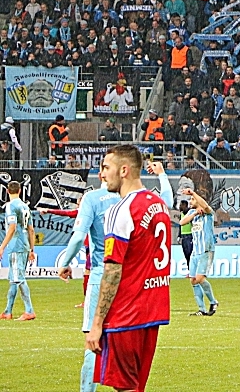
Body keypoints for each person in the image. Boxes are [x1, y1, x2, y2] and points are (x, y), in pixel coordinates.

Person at [58, 158, 172, 392]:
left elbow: (80, 237)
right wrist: (162, 175)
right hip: (144, 292)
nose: (103, 172)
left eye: (105, 167)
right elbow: (168, 202)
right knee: (134, 376)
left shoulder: (93, 200)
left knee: (93, 342)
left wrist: (64, 262)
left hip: (107, 277)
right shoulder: (142, 199)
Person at [179, 188, 218, 316]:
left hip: (206, 250)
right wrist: (194, 213)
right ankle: (201, 309)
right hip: (195, 252)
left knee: (200, 278)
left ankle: (213, 301)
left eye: (192, 199)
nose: (190, 201)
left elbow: (205, 205)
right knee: (193, 280)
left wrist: (193, 193)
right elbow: (182, 222)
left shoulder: (208, 213)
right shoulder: (192, 212)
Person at [0, 181, 35, 320]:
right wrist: (32, 249)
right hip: (25, 245)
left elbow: (12, 227)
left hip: (16, 246)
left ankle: (29, 310)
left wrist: (2, 246)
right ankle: (7, 311)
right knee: (14, 279)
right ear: (20, 191)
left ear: (7, 191)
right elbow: (31, 230)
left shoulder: (10, 206)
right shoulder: (25, 206)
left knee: (19, 278)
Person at [178, 200, 193, 267]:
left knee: (190, 253)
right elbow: (180, 225)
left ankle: (192, 270)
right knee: (186, 254)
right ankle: (189, 270)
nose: (180, 206)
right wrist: (179, 235)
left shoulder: (190, 213)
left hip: (190, 235)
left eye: (181, 205)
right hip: (183, 236)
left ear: (185, 205)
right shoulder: (181, 214)